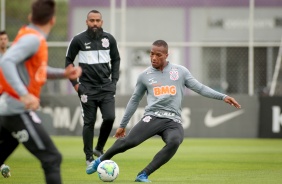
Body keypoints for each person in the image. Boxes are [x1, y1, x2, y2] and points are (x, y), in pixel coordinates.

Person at [86, 40, 241, 182]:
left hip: (173, 121)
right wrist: (123, 124)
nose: (153, 57)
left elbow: (200, 88)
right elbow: (134, 100)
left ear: (167, 55)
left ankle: (143, 174)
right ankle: (101, 160)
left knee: (175, 141)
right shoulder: (145, 76)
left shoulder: (180, 72)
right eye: (151, 54)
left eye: (158, 55)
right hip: (153, 117)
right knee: (129, 142)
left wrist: (223, 97)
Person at [0, 0, 82, 183]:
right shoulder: (33, 39)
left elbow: (38, 71)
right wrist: (23, 93)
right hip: (16, 109)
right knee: (52, 158)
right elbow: (6, 62)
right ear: (52, 20)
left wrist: (64, 73)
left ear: (31, 17)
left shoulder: (29, 35)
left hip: (8, 109)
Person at [65, 10, 120, 165]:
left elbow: (116, 59)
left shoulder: (109, 39)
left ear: (101, 22)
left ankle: (99, 148)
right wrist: (76, 84)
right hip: (87, 88)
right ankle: (89, 157)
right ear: (87, 22)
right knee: (89, 122)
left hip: (106, 87)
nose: (95, 23)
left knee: (110, 117)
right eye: (92, 20)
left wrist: (114, 81)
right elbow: (68, 61)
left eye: (97, 20)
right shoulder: (78, 39)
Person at [0, 30, 9, 96]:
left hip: (8, 89)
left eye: (5, 39)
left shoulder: (11, 55)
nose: (3, 41)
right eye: (1, 39)